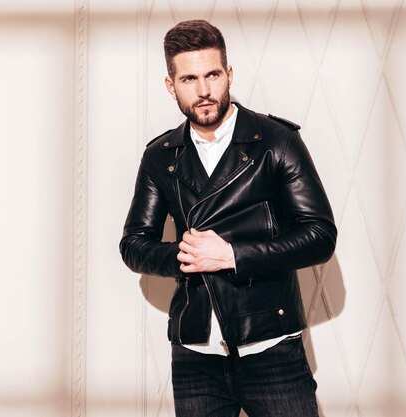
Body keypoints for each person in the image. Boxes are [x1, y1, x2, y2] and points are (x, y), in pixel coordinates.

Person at [119, 20, 337, 417]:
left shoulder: (276, 141)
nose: (203, 91)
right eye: (189, 79)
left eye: (212, 75)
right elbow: (134, 244)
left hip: (270, 345)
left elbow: (319, 235)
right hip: (194, 351)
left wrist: (232, 255)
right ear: (171, 85)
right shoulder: (160, 156)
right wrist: (185, 257)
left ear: (228, 74)